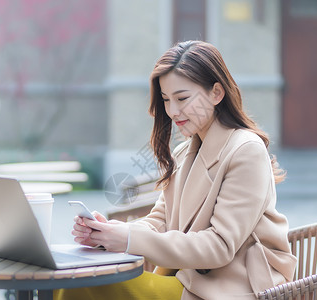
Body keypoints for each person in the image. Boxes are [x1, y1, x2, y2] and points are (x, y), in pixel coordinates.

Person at [54, 40, 297, 300]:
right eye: (166, 100)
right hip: (186, 279)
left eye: (182, 98)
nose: (172, 111)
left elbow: (219, 246)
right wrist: (109, 233)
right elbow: (160, 221)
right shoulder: (184, 152)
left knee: (84, 284)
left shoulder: (246, 150)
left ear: (216, 93)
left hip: (231, 288)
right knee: (72, 279)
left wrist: (127, 239)